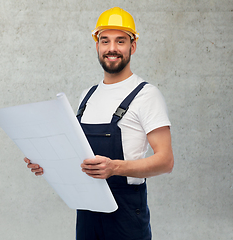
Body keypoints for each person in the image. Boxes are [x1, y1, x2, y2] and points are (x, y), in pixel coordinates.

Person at [24, 7, 174, 240]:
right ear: (97, 46)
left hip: (126, 214)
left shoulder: (146, 95)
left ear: (132, 47)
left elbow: (165, 161)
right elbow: (77, 155)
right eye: (105, 41)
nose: (112, 48)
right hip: (87, 212)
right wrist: (46, 163)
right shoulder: (88, 96)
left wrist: (114, 168)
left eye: (120, 41)